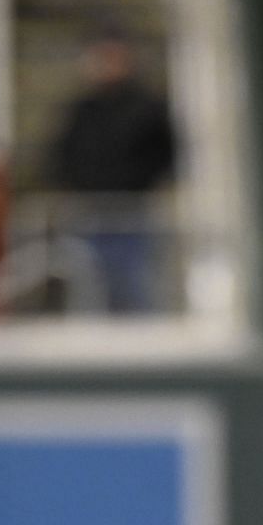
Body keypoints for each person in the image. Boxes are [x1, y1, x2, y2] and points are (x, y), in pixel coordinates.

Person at [45, 23, 178, 314]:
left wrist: (145, 181)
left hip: (133, 211)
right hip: (90, 211)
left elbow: (167, 154)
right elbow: (62, 155)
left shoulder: (147, 106)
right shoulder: (81, 109)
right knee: (89, 289)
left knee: (135, 287)